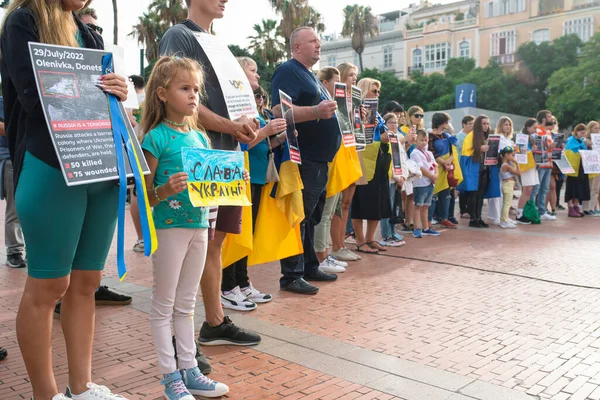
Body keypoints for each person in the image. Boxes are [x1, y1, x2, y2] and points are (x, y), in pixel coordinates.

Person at [1, 1, 131, 399]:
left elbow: (102, 97)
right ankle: (45, 393)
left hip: (100, 164)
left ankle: (82, 386)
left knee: (87, 282)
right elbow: (32, 99)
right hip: (50, 165)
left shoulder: (88, 31)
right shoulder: (23, 21)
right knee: (48, 285)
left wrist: (118, 89)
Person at [159, 0, 262, 350]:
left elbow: (235, 104)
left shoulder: (219, 45)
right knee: (191, 244)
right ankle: (177, 334)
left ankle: (214, 322)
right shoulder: (178, 35)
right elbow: (180, 97)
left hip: (225, 155)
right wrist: (232, 126)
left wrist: (248, 125)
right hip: (200, 153)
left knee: (213, 242)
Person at [141, 56, 230, 400]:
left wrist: (232, 179)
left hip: (199, 225)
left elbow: (215, 186)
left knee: (186, 304)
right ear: (162, 93)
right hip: (168, 228)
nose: (193, 95)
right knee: (163, 305)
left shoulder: (201, 138)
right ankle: (170, 378)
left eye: (195, 89)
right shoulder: (155, 139)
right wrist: (164, 190)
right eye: (184, 88)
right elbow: (146, 195)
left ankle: (189, 370)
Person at [270, 26, 340, 294]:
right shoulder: (288, 71)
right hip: (304, 158)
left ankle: (309, 265)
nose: (318, 45)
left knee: (310, 217)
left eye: (319, 41)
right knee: (299, 215)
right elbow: (278, 110)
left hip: (319, 160)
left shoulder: (311, 76)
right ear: (297, 47)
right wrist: (315, 111)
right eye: (312, 41)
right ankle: (291, 275)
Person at [220, 57, 285, 310]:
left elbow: (256, 141)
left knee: (248, 232)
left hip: (256, 175)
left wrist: (277, 137)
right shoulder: (234, 104)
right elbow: (242, 141)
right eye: (253, 70)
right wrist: (267, 132)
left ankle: (242, 282)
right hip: (241, 173)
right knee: (234, 232)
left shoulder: (250, 104)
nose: (258, 76)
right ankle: (228, 286)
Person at [313, 66, 351, 273]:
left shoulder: (339, 106)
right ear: (325, 83)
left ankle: (325, 253)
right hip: (326, 164)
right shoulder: (321, 105)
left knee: (329, 212)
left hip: (337, 163)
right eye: (336, 81)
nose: (340, 85)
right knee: (324, 213)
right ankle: (321, 255)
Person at [351, 78, 391, 253]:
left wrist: (385, 136)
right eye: (374, 91)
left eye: (378, 91)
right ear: (364, 90)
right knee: (360, 202)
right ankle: (360, 240)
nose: (377, 94)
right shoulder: (355, 110)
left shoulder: (379, 114)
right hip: (362, 159)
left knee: (378, 201)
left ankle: (370, 238)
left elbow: (383, 133)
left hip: (379, 159)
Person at [328, 62, 363, 262]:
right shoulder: (333, 97)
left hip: (352, 148)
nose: (354, 78)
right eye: (350, 74)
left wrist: (360, 118)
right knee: (338, 201)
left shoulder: (355, 99)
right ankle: (335, 246)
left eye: (355, 75)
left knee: (348, 200)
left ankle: (341, 244)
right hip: (339, 149)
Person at [0, 95, 26, 268]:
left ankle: (36, 250)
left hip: (30, 157)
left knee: (34, 208)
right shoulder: (3, 100)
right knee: (15, 209)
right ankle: (14, 252)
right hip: (10, 158)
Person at [458, 116, 493, 228]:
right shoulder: (471, 136)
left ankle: (479, 217)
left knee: (481, 195)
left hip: (485, 167)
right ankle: (473, 218)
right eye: (483, 123)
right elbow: (466, 152)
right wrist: (479, 149)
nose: (486, 126)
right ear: (478, 124)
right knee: (474, 194)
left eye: (487, 123)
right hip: (474, 168)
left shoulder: (487, 136)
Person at [429, 112, 459, 229]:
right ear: (441, 122)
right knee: (434, 195)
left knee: (446, 195)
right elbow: (431, 151)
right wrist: (443, 162)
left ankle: (444, 218)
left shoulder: (447, 136)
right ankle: (429, 219)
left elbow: (453, 151)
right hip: (436, 168)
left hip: (446, 169)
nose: (447, 124)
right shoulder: (430, 136)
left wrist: (449, 161)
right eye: (446, 121)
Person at [410, 130, 439, 238]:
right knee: (418, 205)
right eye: (421, 140)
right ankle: (417, 228)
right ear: (415, 140)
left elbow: (435, 165)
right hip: (421, 182)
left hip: (430, 183)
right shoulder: (415, 153)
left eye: (426, 140)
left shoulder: (429, 153)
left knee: (426, 206)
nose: (424, 142)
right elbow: (420, 167)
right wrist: (432, 176)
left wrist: (436, 175)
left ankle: (426, 228)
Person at [530, 110, 557, 221]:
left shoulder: (548, 132)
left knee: (544, 189)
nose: (552, 119)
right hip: (540, 163)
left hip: (549, 163)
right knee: (536, 188)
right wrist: (550, 146)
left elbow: (549, 147)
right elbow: (540, 147)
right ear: (544, 119)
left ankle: (542, 211)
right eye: (549, 117)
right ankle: (531, 209)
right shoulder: (538, 131)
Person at [515, 118, 539, 224]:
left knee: (529, 190)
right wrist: (531, 151)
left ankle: (525, 211)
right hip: (526, 166)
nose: (535, 130)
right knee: (526, 190)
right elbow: (520, 153)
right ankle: (519, 214)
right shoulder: (521, 137)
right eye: (534, 128)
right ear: (528, 127)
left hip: (532, 165)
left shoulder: (531, 137)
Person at [565, 124, 591, 217]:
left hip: (581, 168)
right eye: (581, 132)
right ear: (576, 132)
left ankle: (576, 206)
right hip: (572, 169)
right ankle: (570, 207)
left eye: (585, 132)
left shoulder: (582, 141)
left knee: (579, 188)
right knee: (572, 188)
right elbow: (569, 153)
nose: (583, 134)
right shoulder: (571, 141)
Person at [456, 115, 475, 220]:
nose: (471, 126)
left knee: (470, 186)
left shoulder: (473, 135)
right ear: (464, 124)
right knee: (463, 187)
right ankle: (463, 210)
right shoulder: (460, 136)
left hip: (471, 164)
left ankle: (469, 208)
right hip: (462, 163)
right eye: (469, 124)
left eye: (473, 124)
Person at [499, 147, 520, 229]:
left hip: (509, 184)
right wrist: (516, 163)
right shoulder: (506, 165)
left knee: (507, 203)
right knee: (507, 204)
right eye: (511, 155)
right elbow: (518, 172)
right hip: (507, 185)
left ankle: (505, 218)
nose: (513, 157)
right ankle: (504, 221)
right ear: (506, 155)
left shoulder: (506, 164)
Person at [583, 120, 600, 216]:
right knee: (589, 187)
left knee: (596, 188)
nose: (597, 130)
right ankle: (586, 208)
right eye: (595, 128)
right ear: (590, 129)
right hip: (589, 165)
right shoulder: (586, 140)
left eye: (598, 128)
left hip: (598, 165)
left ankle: (592, 207)